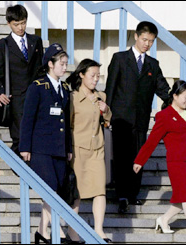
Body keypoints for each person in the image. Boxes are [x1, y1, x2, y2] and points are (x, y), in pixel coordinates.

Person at [105, 21, 170, 214]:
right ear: (136, 36)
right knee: (122, 157)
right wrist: (106, 115)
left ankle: (133, 194)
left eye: (151, 41)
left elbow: (164, 90)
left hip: (141, 120)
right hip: (120, 119)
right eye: (144, 39)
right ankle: (122, 195)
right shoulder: (120, 59)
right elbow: (110, 88)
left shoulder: (153, 65)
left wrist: (176, 99)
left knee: (139, 157)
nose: (147, 44)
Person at [133, 80, 186, 244]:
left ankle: (163, 219)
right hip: (177, 163)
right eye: (185, 97)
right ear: (175, 96)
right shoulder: (164, 116)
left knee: (185, 198)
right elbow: (152, 141)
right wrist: (140, 160)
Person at [19, 43, 72, 244]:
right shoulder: (38, 87)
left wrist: (68, 148)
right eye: (61, 63)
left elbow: (66, 123)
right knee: (50, 189)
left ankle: (42, 231)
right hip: (41, 149)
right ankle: (57, 230)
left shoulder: (64, 89)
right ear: (50, 64)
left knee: (54, 189)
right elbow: (28, 118)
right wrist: (25, 147)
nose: (64, 67)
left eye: (66, 63)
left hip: (58, 149)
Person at [66, 59, 112, 243]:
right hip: (78, 149)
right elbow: (68, 125)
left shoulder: (101, 96)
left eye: (98, 76)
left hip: (97, 149)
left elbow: (107, 120)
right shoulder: (72, 97)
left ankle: (99, 230)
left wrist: (106, 110)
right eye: (92, 75)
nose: (95, 79)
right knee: (76, 192)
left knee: (100, 190)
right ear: (81, 74)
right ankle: (72, 231)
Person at [0, 4, 43, 156]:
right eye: (16, 24)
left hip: (36, 98)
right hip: (15, 102)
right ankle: (22, 175)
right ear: (8, 23)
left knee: (37, 140)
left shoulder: (36, 41)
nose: (20, 27)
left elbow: (41, 70)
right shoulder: (2, 46)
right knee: (20, 141)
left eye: (23, 23)